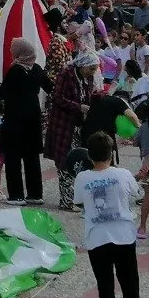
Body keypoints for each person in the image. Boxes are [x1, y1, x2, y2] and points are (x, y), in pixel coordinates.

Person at [75, 131, 144, 298]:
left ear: (90, 156)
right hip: (124, 234)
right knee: (130, 283)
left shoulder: (83, 177)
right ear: (112, 153)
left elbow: (79, 202)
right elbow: (137, 194)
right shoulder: (123, 174)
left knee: (105, 285)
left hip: (98, 237)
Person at [0, 37, 51, 205]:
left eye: (13, 48)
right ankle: (35, 194)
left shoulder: (15, 71)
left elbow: (2, 93)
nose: (11, 51)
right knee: (31, 156)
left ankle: (16, 195)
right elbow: (50, 87)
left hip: (15, 116)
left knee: (12, 156)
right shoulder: (37, 69)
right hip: (33, 115)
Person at [46, 51, 100, 210]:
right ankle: (66, 200)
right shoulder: (67, 74)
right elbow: (57, 98)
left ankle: (77, 198)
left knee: (80, 161)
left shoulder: (87, 77)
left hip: (79, 125)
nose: (92, 72)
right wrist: (78, 106)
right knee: (64, 162)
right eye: (91, 68)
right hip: (63, 124)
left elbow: (88, 94)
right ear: (83, 65)